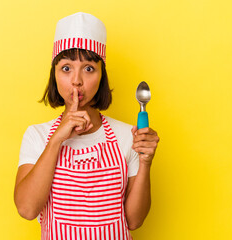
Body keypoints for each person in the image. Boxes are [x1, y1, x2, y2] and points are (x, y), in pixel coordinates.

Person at [14, 12, 160, 239]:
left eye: (89, 68)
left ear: (102, 76)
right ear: (54, 75)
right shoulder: (38, 136)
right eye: (66, 68)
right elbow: (27, 209)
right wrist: (56, 141)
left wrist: (145, 163)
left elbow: (134, 220)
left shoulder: (127, 136)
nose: (76, 80)